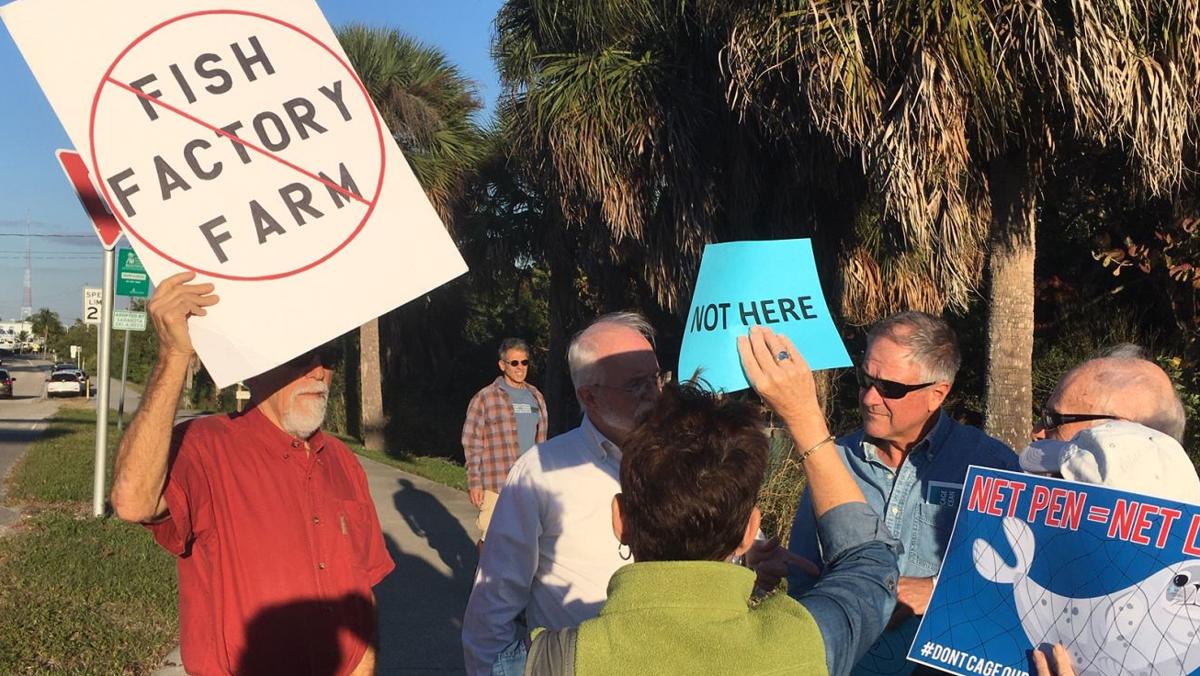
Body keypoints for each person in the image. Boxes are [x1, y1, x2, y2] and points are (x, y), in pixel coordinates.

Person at [499, 329, 900, 676]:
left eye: (654, 378)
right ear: (750, 530)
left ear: (620, 520)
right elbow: (871, 566)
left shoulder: (544, 661)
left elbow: (491, 632)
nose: (651, 390)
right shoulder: (801, 644)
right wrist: (804, 417)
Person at [110, 272, 394, 676]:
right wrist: (173, 356)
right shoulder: (206, 446)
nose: (318, 372)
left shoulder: (343, 461)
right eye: (301, 356)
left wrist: (364, 667)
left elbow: (364, 587)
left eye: (329, 358)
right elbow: (132, 501)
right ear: (256, 367)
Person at [752, 311, 1018, 676]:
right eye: (865, 380)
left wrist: (938, 591)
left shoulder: (991, 467)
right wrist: (763, 571)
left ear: (937, 394)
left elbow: (1014, 585)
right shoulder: (832, 461)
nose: (870, 398)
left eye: (891, 389)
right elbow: (804, 579)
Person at [461, 312, 663, 676]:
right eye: (636, 385)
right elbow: (492, 609)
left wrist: (751, 555)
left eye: (656, 378)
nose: (654, 394)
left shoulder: (687, 457)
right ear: (589, 396)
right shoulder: (541, 473)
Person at [462, 338, 548, 549]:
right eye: (514, 363)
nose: (520, 368)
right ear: (502, 365)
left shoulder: (536, 397)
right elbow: (472, 441)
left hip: (528, 482)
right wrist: (475, 482)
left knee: (527, 538)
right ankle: (484, 571)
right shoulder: (484, 398)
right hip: (496, 481)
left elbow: (542, 442)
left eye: (524, 362)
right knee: (490, 537)